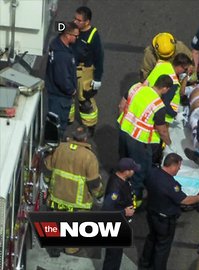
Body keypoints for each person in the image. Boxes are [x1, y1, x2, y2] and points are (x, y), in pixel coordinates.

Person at [139, 153, 199, 270]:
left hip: (152, 213)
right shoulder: (171, 185)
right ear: (173, 165)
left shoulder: (152, 173)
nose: (179, 168)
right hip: (164, 221)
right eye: (179, 166)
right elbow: (185, 200)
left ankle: (144, 263)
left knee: (152, 238)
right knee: (163, 247)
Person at [43, 126, 103, 255]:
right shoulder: (89, 157)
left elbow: (48, 169)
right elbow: (93, 183)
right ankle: (71, 248)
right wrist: (98, 195)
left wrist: (48, 185)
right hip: (78, 201)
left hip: (57, 195)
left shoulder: (59, 149)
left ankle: (54, 247)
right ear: (86, 138)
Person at [117, 74, 173, 206]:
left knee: (123, 162)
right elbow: (162, 130)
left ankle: (119, 185)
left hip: (123, 130)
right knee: (139, 171)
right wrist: (170, 143)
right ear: (165, 88)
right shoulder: (158, 105)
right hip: (139, 141)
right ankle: (134, 199)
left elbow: (121, 106)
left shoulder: (136, 87)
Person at [70, 6, 105, 136]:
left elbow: (99, 58)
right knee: (68, 95)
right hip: (71, 68)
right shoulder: (72, 28)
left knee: (85, 99)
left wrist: (97, 78)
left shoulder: (93, 36)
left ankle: (89, 126)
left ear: (87, 22)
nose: (75, 21)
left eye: (79, 20)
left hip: (84, 72)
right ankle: (68, 120)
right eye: (75, 18)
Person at [101, 158, 140, 270]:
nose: (134, 171)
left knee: (116, 255)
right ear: (126, 171)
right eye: (132, 170)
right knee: (113, 256)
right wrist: (124, 212)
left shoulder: (120, 178)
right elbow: (107, 210)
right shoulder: (115, 188)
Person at [45, 21, 79, 139]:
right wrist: (72, 91)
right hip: (60, 99)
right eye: (75, 36)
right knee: (58, 127)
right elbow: (62, 80)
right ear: (68, 35)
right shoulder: (63, 56)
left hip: (53, 95)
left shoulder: (56, 45)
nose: (77, 38)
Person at [144, 53, 193, 124]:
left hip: (145, 98)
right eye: (185, 69)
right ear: (179, 66)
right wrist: (175, 115)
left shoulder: (162, 64)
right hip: (161, 115)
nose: (185, 72)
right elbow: (165, 103)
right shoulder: (173, 82)